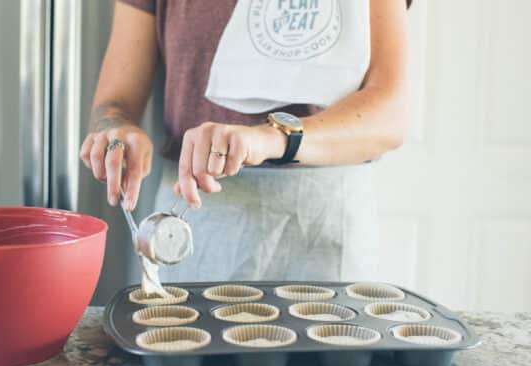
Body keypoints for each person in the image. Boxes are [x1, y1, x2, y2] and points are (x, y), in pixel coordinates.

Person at [80, 0, 411, 282]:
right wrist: (115, 129)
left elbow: (389, 117)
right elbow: (113, 105)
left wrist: (270, 138)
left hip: (322, 223)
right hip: (195, 220)